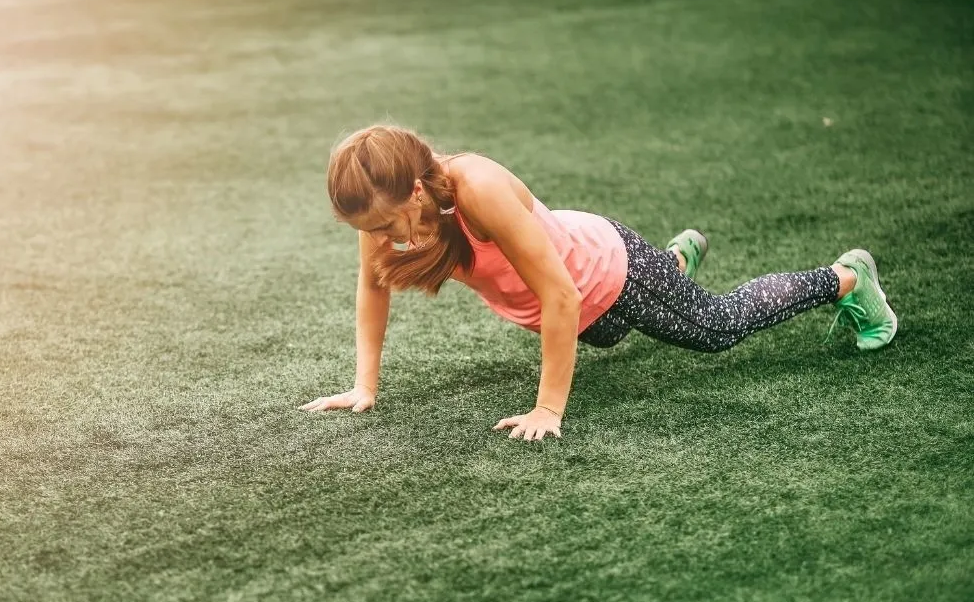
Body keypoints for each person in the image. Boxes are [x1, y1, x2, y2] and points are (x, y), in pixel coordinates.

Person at [298, 124, 897, 441]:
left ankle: (847, 278)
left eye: (387, 224)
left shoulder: (476, 188)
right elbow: (373, 287)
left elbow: (561, 294)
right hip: (576, 300)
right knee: (608, 335)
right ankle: (674, 265)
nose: (387, 238)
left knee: (714, 328)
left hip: (605, 268)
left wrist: (548, 409)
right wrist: (363, 387)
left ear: (416, 189)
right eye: (371, 229)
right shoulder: (383, 210)